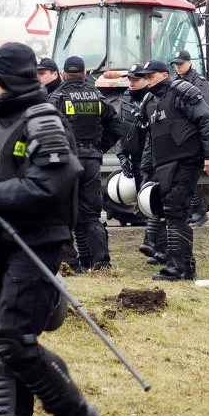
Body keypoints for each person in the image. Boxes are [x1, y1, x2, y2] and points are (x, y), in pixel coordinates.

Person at [0, 42, 98, 416]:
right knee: (0, 340)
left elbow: (51, 182)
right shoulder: (2, 118)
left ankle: (74, 411)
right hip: (1, 239)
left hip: (34, 242)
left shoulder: (42, 119)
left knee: (14, 339)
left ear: (3, 79)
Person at [139, 60, 209, 280]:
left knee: (176, 212)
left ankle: (179, 269)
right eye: (145, 77)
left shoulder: (182, 93)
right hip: (163, 165)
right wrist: (147, 167)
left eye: (151, 76)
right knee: (172, 212)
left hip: (185, 161)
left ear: (164, 75)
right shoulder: (150, 101)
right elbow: (150, 138)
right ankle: (184, 266)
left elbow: (208, 121)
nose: (147, 81)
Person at [49, 56, 121, 272]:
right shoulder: (98, 97)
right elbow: (116, 128)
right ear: (85, 74)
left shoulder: (56, 97)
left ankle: (70, 263)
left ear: (63, 74)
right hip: (90, 160)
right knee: (90, 214)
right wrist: (98, 148)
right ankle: (100, 262)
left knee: (63, 212)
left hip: (65, 161)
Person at [115, 65, 164, 266]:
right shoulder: (125, 97)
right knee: (147, 204)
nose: (131, 83)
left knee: (155, 202)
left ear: (146, 79)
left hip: (155, 158)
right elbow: (120, 128)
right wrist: (121, 154)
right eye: (130, 80)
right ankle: (158, 250)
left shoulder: (156, 99)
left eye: (136, 79)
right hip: (134, 158)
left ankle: (156, 247)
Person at [171, 49, 209, 227]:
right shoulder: (175, 81)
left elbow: (208, 108)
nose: (178, 67)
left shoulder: (199, 82)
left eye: (181, 63)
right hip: (181, 136)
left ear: (189, 63)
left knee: (190, 175)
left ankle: (198, 212)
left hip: (195, 134)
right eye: (176, 64)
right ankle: (193, 211)